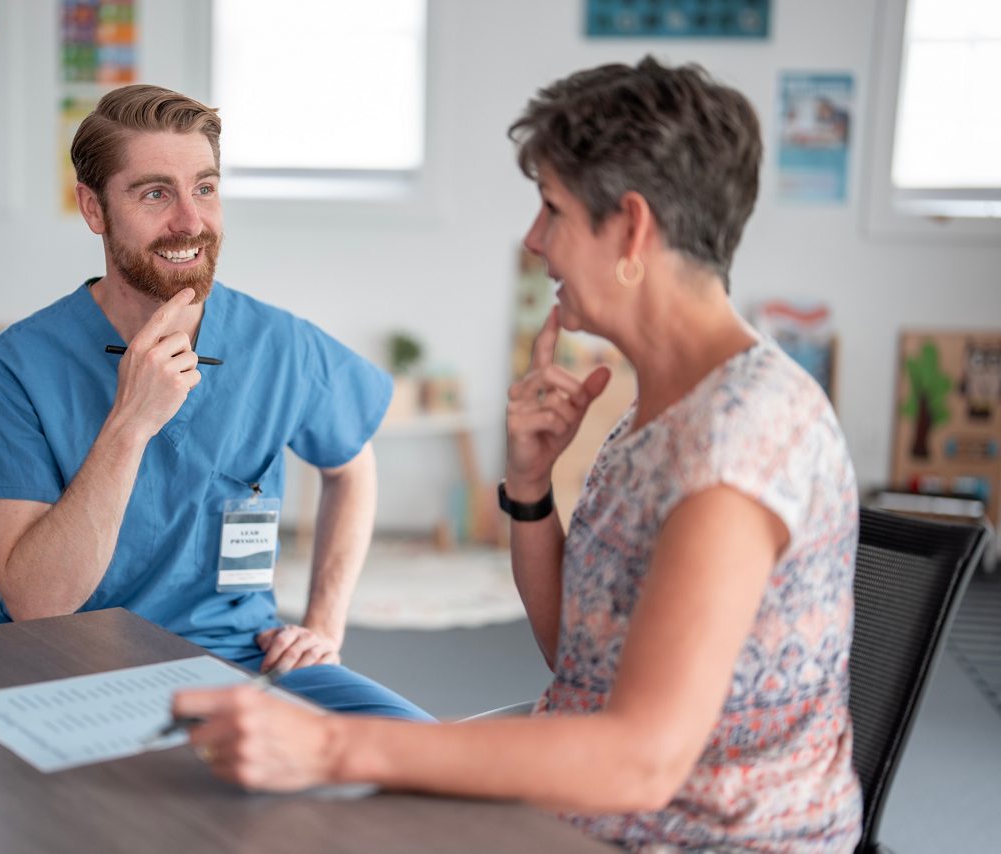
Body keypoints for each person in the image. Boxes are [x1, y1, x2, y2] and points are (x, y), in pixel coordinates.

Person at [174, 57, 863, 851]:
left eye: (552, 209)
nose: (535, 241)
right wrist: (530, 488)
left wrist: (329, 746)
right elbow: (577, 652)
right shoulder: (665, 404)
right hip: (605, 805)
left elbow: (642, 761)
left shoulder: (739, 440)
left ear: (632, 227)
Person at [0, 84, 432, 722]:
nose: (191, 222)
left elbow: (351, 466)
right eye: (155, 193)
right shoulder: (13, 372)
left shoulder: (278, 343)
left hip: (246, 664)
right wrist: (130, 424)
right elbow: (37, 602)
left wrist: (323, 627)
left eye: (206, 188)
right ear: (93, 208)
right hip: (71, 667)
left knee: (422, 750)